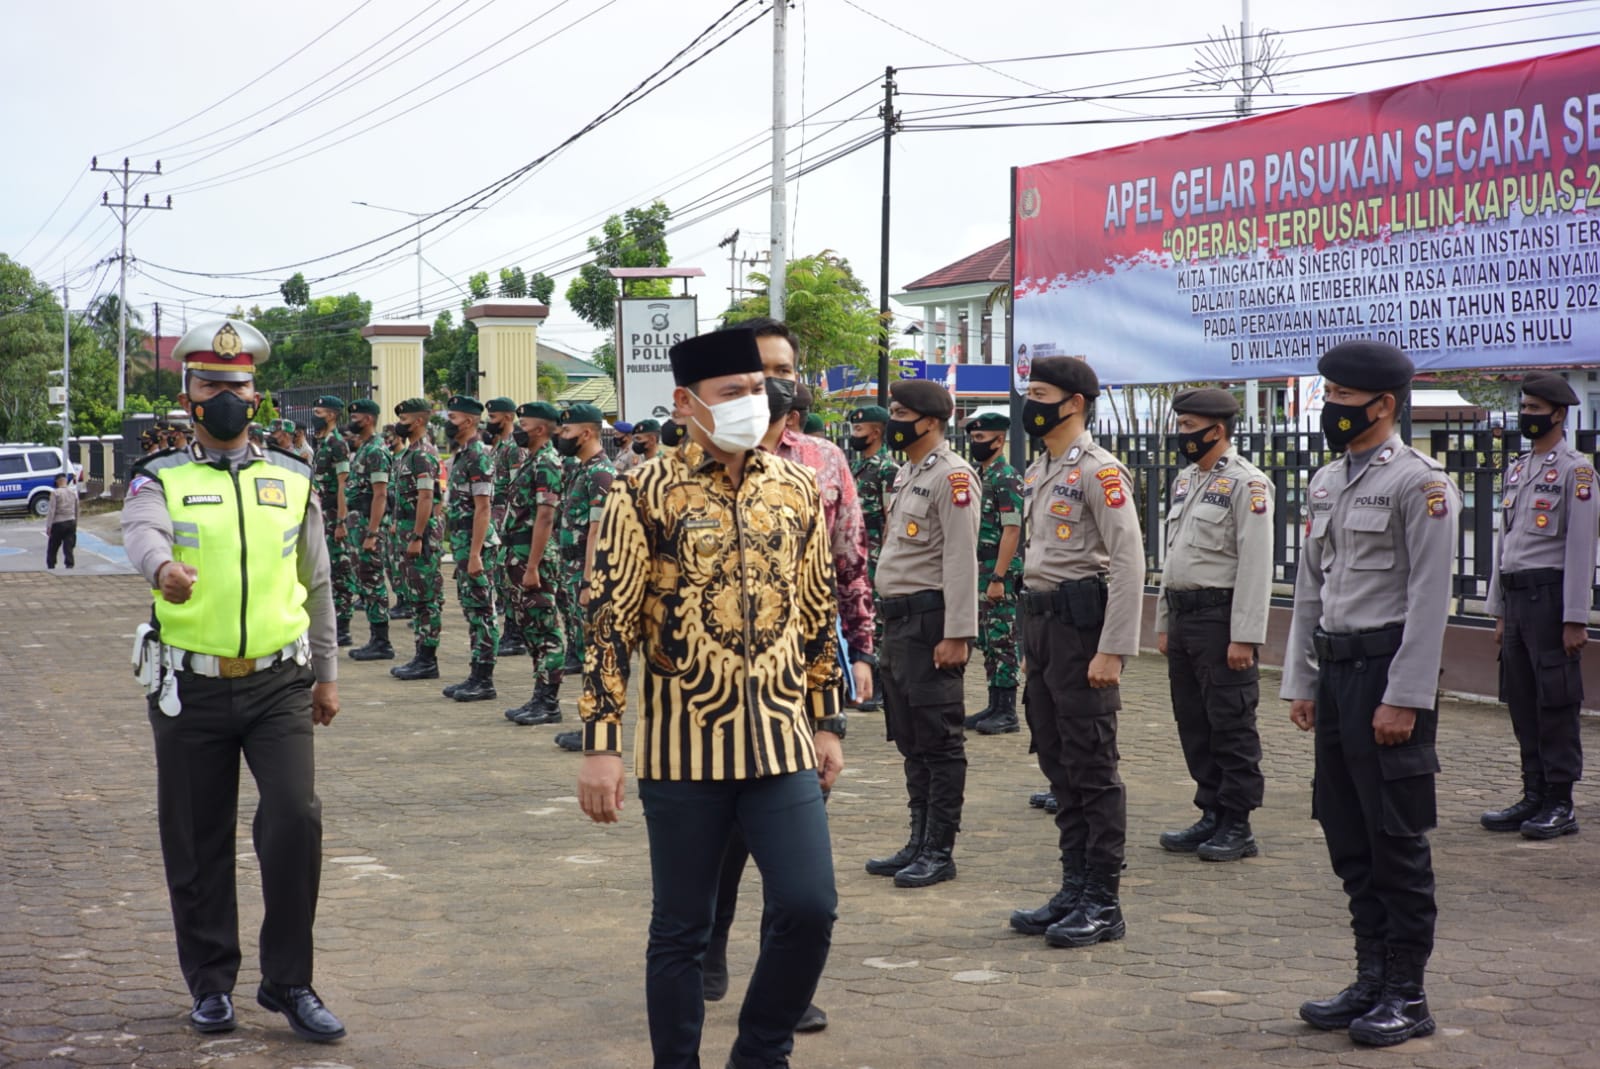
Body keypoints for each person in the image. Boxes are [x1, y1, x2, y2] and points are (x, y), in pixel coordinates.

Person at [576, 328, 844, 1069]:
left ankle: (760, 1052)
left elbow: (818, 609)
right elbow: (607, 620)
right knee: (683, 930)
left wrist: (828, 722)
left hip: (782, 740)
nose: (752, 404)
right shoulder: (641, 490)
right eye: (733, 394)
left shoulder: (794, 488)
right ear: (686, 403)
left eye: (758, 390)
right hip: (682, 745)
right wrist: (602, 746)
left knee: (808, 906)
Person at [120, 318, 345, 1043]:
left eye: (237, 386)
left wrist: (328, 672)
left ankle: (288, 980)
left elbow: (318, 581)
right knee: (196, 837)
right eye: (211, 384)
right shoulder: (159, 478)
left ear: (257, 397)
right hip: (191, 687)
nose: (225, 396)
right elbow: (142, 533)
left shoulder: (293, 476)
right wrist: (163, 570)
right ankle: (211, 982)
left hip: (280, 681)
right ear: (188, 396)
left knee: (294, 820)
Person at [1282, 341, 1459, 1048]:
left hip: (1387, 676)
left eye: (1341, 399)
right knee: (1347, 832)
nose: (1330, 409)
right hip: (1335, 675)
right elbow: (1309, 588)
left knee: (1395, 838)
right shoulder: (1329, 480)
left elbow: (1428, 598)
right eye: (1325, 397)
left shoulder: (1420, 483)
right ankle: (1369, 976)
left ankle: (1407, 993)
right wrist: (1300, 679)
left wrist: (1406, 696)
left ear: (1382, 404)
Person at [704, 316, 874, 1033]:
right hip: (715, 691)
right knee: (722, 841)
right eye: (755, 370)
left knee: (795, 851)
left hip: (803, 684)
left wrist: (860, 651)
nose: (770, 383)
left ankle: (787, 982)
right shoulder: (694, 462)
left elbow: (849, 562)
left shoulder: (824, 461)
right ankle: (708, 944)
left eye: (781, 369)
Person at [1007, 356, 1143, 949]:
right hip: (1042, 629)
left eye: (1040, 393)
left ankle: (1103, 901)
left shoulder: (1099, 470)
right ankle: (1074, 885)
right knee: (1058, 760)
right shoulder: (1042, 468)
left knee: (1092, 766)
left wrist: (1113, 649)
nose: (1029, 403)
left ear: (1075, 403)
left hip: (1082, 634)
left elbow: (1129, 560)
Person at [864, 379, 980, 889]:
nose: (893, 420)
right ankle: (917, 838)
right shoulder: (907, 474)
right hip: (900, 621)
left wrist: (958, 633)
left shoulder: (953, 477)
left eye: (900, 412)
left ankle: (939, 849)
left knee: (939, 739)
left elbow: (960, 560)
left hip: (933, 620)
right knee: (910, 738)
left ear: (930, 421)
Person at [1154, 388, 1274, 862]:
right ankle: (1210, 812)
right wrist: (1164, 620)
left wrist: (1244, 636)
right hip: (1185, 617)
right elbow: (1173, 557)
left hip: (1221, 619)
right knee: (1194, 722)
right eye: (1180, 426)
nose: (1181, 436)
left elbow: (1256, 564)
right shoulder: (1186, 480)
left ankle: (1238, 822)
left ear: (1216, 430)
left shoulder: (1248, 483)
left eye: (1188, 427)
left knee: (1231, 723)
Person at [1482, 372, 1597, 839]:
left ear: (1559, 414)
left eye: (1534, 409)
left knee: (1555, 703)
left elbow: (1582, 548)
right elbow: (1503, 543)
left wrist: (1574, 617)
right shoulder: (1518, 468)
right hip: (1516, 599)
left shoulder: (1577, 472)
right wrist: (1498, 608)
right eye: (1523, 407)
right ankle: (1532, 794)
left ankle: (1560, 802)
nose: (1526, 416)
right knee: (1523, 703)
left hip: (1550, 600)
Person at [549, 404, 616, 751]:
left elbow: (597, 532)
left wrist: (589, 583)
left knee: (594, 655)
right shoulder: (581, 470)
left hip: (586, 577)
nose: (561, 438)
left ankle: (597, 727)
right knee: (583, 649)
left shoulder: (600, 474)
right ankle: (591, 724)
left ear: (586, 433)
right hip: (572, 573)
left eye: (566, 432)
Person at [501, 401, 569, 726]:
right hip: (518, 555)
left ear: (540, 429)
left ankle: (549, 702)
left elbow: (545, 516)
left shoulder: (547, 462)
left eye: (523, 424)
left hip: (533, 557)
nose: (518, 430)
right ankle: (538, 695)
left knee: (546, 630)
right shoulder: (531, 461)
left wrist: (532, 566)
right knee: (531, 629)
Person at [962, 412, 1024, 735]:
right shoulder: (977, 475)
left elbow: (1011, 530)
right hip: (980, 569)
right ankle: (993, 703)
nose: (976, 443)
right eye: (973, 438)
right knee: (987, 639)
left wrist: (999, 577)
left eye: (982, 439)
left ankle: (1008, 712)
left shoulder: (1006, 477)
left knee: (1003, 638)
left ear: (999, 440)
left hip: (997, 570)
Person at [440, 396, 502, 702]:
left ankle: (484, 679)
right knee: (471, 610)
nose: (447, 423)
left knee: (482, 611)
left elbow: (483, 508)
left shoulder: (478, 455)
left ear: (468, 421)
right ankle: (475, 674)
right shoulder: (464, 454)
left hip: (476, 545)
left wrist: (476, 553)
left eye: (452, 417)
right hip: (465, 544)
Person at [388, 398, 446, 682]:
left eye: (405, 419)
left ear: (419, 422)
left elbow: (427, 498)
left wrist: (418, 536)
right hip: (410, 529)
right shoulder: (409, 453)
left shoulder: (423, 454)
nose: (401, 424)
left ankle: (427, 660)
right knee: (417, 597)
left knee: (426, 598)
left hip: (419, 532)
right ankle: (421, 655)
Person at [847, 404, 896, 711]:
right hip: (856, 556)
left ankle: (879, 687)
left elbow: (892, 516)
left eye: (859, 430)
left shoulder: (887, 469)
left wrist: (886, 558)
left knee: (876, 622)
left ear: (876, 432)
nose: (854, 435)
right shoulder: (856, 467)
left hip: (876, 554)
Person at [344, 399, 393, 661]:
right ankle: (376, 638)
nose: (353, 420)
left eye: (358, 417)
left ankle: (382, 641)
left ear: (370, 419)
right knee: (365, 579)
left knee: (373, 581)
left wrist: (373, 533)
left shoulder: (376, 451)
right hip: (357, 524)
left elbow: (380, 494)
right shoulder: (364, 449)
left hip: (367, 525)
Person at [310, 397, 355, 648]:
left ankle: (344, 626)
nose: (314, 415)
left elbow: (342, 484)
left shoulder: (337, 443)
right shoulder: (323, 442)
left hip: (333, 515)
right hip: (322, 515)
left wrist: (341, 520)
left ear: (331, 415)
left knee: (339, 570)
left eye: (318, 412)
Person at [44, 473, 79, 570]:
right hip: (71, 521)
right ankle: (70, 564)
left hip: (58, 523)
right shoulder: (73, 493)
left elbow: (52, 511)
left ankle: (51, 564)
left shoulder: (55, 493)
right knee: (68, 546)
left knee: (53, 546)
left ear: (57, 481)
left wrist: (49, 526)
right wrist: (75, 523)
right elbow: (77, 509)